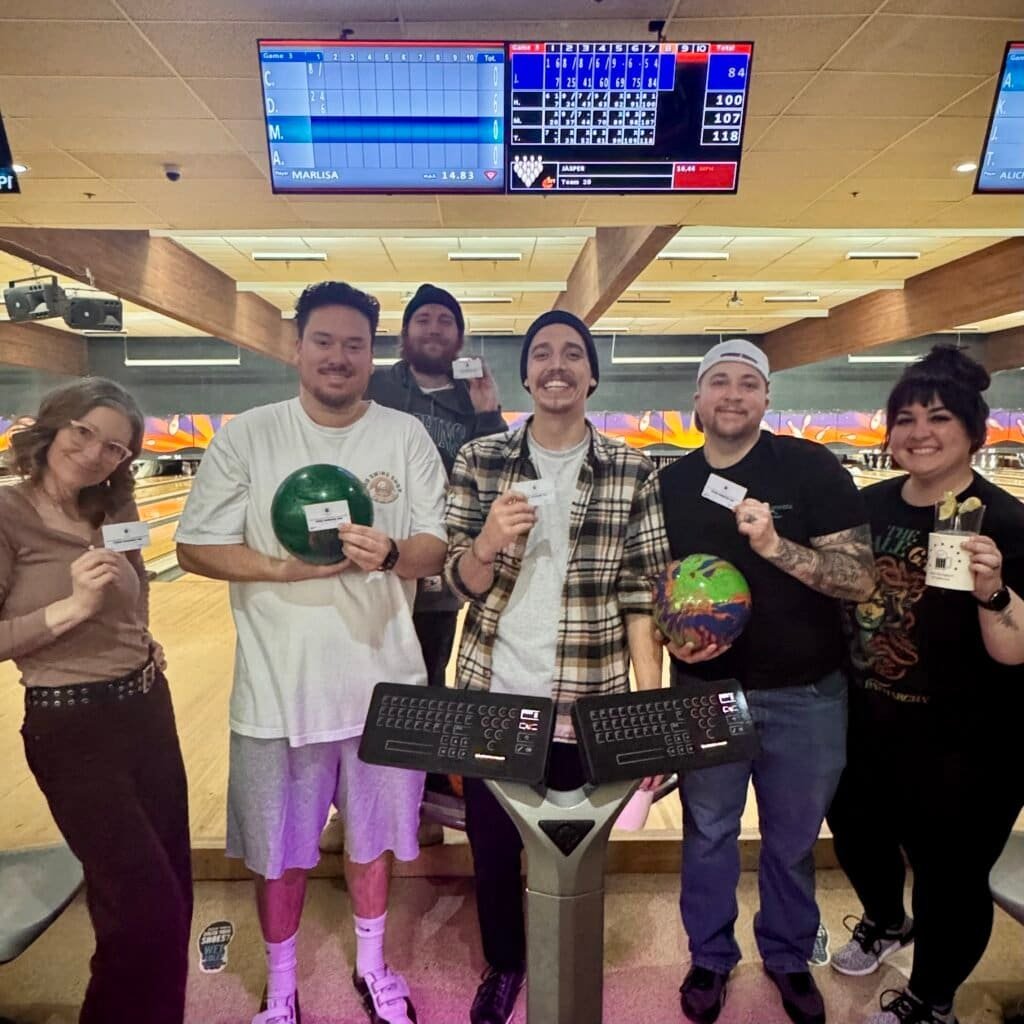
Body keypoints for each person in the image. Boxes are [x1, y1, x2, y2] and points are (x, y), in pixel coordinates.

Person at [176, 281, 448, 1024]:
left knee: (373, 845)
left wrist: (390, 552)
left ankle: (373, 967)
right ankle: (283, 986)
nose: (338, 356)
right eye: (323, 341)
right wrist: (282, 569)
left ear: (371, 355)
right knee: (280, 853)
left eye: (354, 345)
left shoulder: (404, 436)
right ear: (297, 348)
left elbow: (435, 547)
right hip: (278, 692)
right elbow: (192, 546)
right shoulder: (250, 435)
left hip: (383, 687)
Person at [444, 309, 666, 1024]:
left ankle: (567, 958)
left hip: (588, 697)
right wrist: (485, 542)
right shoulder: (481, 460)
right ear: (526, 375)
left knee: (573, 851)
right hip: (493, 693)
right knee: (492, 851)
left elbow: (642, 595)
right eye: (542, 353)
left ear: (591, 375)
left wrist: (649, 713)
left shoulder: (632, 469)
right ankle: (506, 964)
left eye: (573, 353)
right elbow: (456, 583)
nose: (557, 365)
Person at [648, 339, 876, 1024]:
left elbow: (860, 579)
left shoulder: (809, 467)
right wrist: (670, 636)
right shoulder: (671, 485)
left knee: (792, 841)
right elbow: (651, 589)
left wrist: (775, 546)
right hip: (706, 691)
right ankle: (710, 958)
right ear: (697, 398)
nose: (733, 394)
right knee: (709, 833)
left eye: (748, 383)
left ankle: (786, 956)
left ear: (767, 397)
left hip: (806, 693)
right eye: (718, 381)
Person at [827, 346, 1024, 1024]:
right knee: (857, 835)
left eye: (938, 417)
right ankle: (886, 920)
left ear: (974, 430)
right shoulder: (866, 505)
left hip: (970, 741)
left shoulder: (1006, 521)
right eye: (905, 418)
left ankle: (932, 999)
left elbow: (1015, 651)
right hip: (868, 721)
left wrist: (993, 591)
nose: (919, 432)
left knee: (950, 878)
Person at [0, 378, 192, 1024]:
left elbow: (137, 580)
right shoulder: (7, 514)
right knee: (144, 911)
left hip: (147, 707)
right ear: (53, 426)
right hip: (71, 728)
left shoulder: (116, 505)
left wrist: (139, 635)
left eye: (115, 448)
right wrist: (72, 608)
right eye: (84, 432)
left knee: (173, 896)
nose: (94, 453)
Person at [317, 284, 505, 853]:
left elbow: (493, 476)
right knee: (354, 686)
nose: (433, 329)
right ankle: (347, 808)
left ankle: (417, 801)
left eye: (445, 321)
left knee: (423, 689)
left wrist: (488, 412)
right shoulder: (375, 386)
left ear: (459, 337)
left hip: (435, 574)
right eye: (423, 319)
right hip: (363, 569)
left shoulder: (472, 398)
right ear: (404, 334)